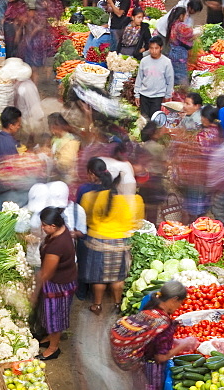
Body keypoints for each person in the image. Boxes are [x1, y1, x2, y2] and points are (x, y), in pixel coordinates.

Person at [110, 281, 193, 390]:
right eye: (180, 303)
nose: (180, 306)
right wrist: (184, 344)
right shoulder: (163, 323)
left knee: (139, 387)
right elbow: (161, 357)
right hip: (136, 360)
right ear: (174, 299)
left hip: (128, 351)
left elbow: (151, 336)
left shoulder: (152, 305)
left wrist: (176, 341)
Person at [80, 165, 143, 314]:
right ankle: (117, 304)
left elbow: (86, 220)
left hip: (97, 241)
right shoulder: (135, 201)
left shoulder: (89, 197)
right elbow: (137, 223)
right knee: (118, 277)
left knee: (99, 278)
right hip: (120, 243)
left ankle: (97, 305)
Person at [34, 207, 78, 361]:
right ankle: (50, 337)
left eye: (44, 225)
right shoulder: (61, 231)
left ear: (53, 226)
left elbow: (46, 273)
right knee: (50, 313)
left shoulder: (58, 245)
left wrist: (33, 291)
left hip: (59, 285)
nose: (42, 227)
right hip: (62, 279)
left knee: (55, 316)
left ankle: (53, 348)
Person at [134, 38, 174, 122]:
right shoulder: (144, 61)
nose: (153, 51)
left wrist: (168, 95)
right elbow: (139, 78)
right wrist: (137, 94)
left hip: (157, 96)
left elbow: (170, 81)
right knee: (144, 119)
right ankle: (143, 135)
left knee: (154, 120)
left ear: (161, 48)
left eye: (156, 48)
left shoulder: (166, 62)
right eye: (151, 48)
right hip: (144, 95)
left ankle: (151, 134)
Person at [167, 5, 198, 87]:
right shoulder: (181, 26)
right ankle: (183, 91)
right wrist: (199, 32)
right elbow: (190, 34)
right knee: (181, 74)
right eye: (185, 15)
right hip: (179, 53)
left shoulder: (172, 24)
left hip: (172, 51)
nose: (186, 17)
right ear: (181, 16)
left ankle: (174, 89)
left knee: (174, 73)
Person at [47, 113, 80, 183]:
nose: (51, 129)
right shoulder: (55, 139)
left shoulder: (71, 141)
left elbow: (66, 164)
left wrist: (53, 162)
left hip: (67, 179)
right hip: (56, 176)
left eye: (51, 126)